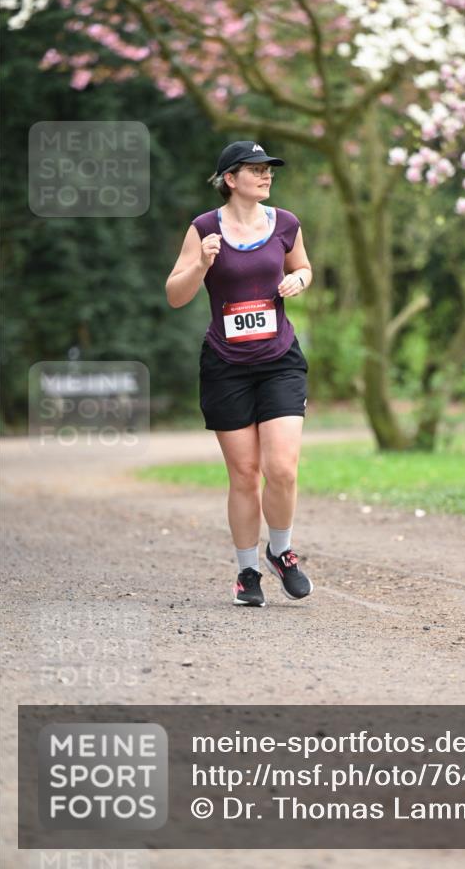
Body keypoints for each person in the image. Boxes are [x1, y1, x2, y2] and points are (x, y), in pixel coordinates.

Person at [165, 140, 313, 608]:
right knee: (246, 475)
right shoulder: (204, 228)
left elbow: (304, 266)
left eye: (268, 169)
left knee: (282, 469)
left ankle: (281, 551)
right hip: (226, 367)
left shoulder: (285, 223)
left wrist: (299, 280)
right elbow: (175, 293)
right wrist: (203, 263)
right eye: (254, 169)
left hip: (279, 360)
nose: (266, 176)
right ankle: (247, 571)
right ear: (230, 179)